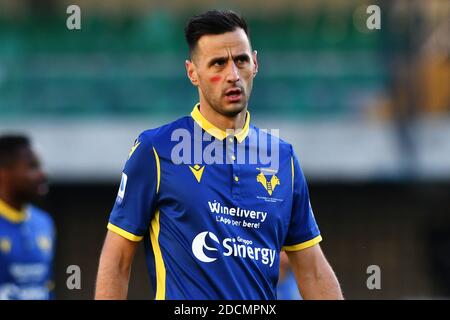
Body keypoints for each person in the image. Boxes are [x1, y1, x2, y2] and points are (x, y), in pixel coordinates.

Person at [95, 10, 343, 300]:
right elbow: (117, 261)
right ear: (193, 73)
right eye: (218, 64)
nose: (233, 75)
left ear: (256, 64)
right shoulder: (156, 150)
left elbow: (312, 271)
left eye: (241, 60)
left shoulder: (281, 157)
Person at [0, 135, 55, 300]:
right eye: (32, 167)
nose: (43, 174)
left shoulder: (44, 223)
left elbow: (47, 287)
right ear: (4, 173)